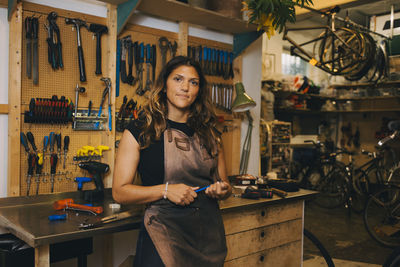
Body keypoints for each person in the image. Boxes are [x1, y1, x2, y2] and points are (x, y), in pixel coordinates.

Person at [112, 56, 232, 267]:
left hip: (208, 238)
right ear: (164, 84)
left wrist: (222, 190)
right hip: (163, 235)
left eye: (193, 82)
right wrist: (166, 190)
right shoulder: (140, 131)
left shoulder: (211, 134)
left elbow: (225, 184)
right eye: (178, 79)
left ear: (199, 90)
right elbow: (120, 192)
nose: (185, 87)